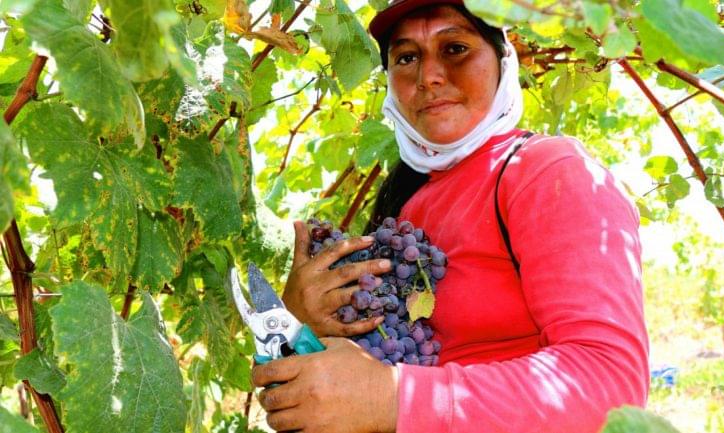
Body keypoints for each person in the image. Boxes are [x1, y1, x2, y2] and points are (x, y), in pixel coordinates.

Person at [251, 1, 649, 432]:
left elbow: (611, 385)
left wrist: (392, 397)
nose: (429, 77)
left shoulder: (548, 172)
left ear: (502, 59)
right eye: (406, 58)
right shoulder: (406, 201)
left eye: (455, 48)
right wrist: (298, 327)